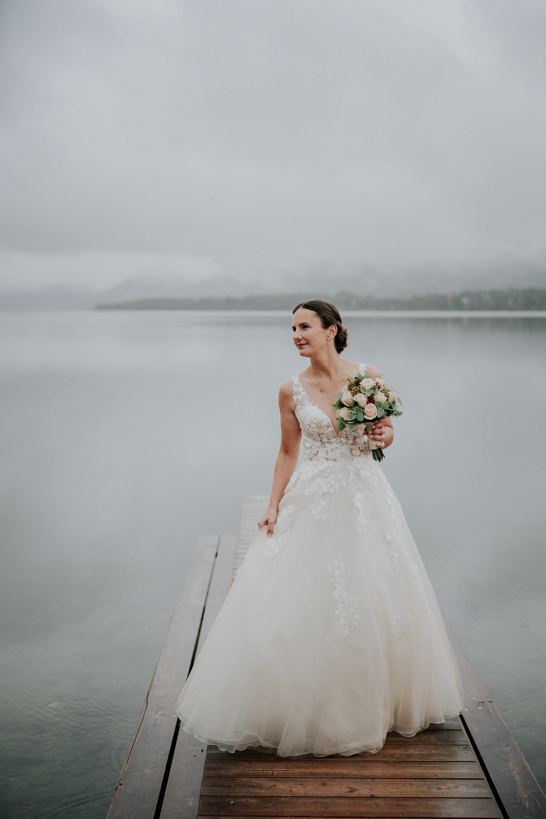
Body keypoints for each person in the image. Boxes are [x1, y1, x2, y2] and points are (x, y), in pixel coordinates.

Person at [176, 299, 463, 757]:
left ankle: (379, 700)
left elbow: (387, 430)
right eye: (292, 328)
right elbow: (288, 453)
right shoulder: (290, 390)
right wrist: (272, 505)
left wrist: (381, 436)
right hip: (314, 494)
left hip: (366, 495)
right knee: (306, 596)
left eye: (304, 326)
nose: (296, 335)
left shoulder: (368, 376)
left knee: (375, 591)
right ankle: (300, 703)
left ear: (332, 330)